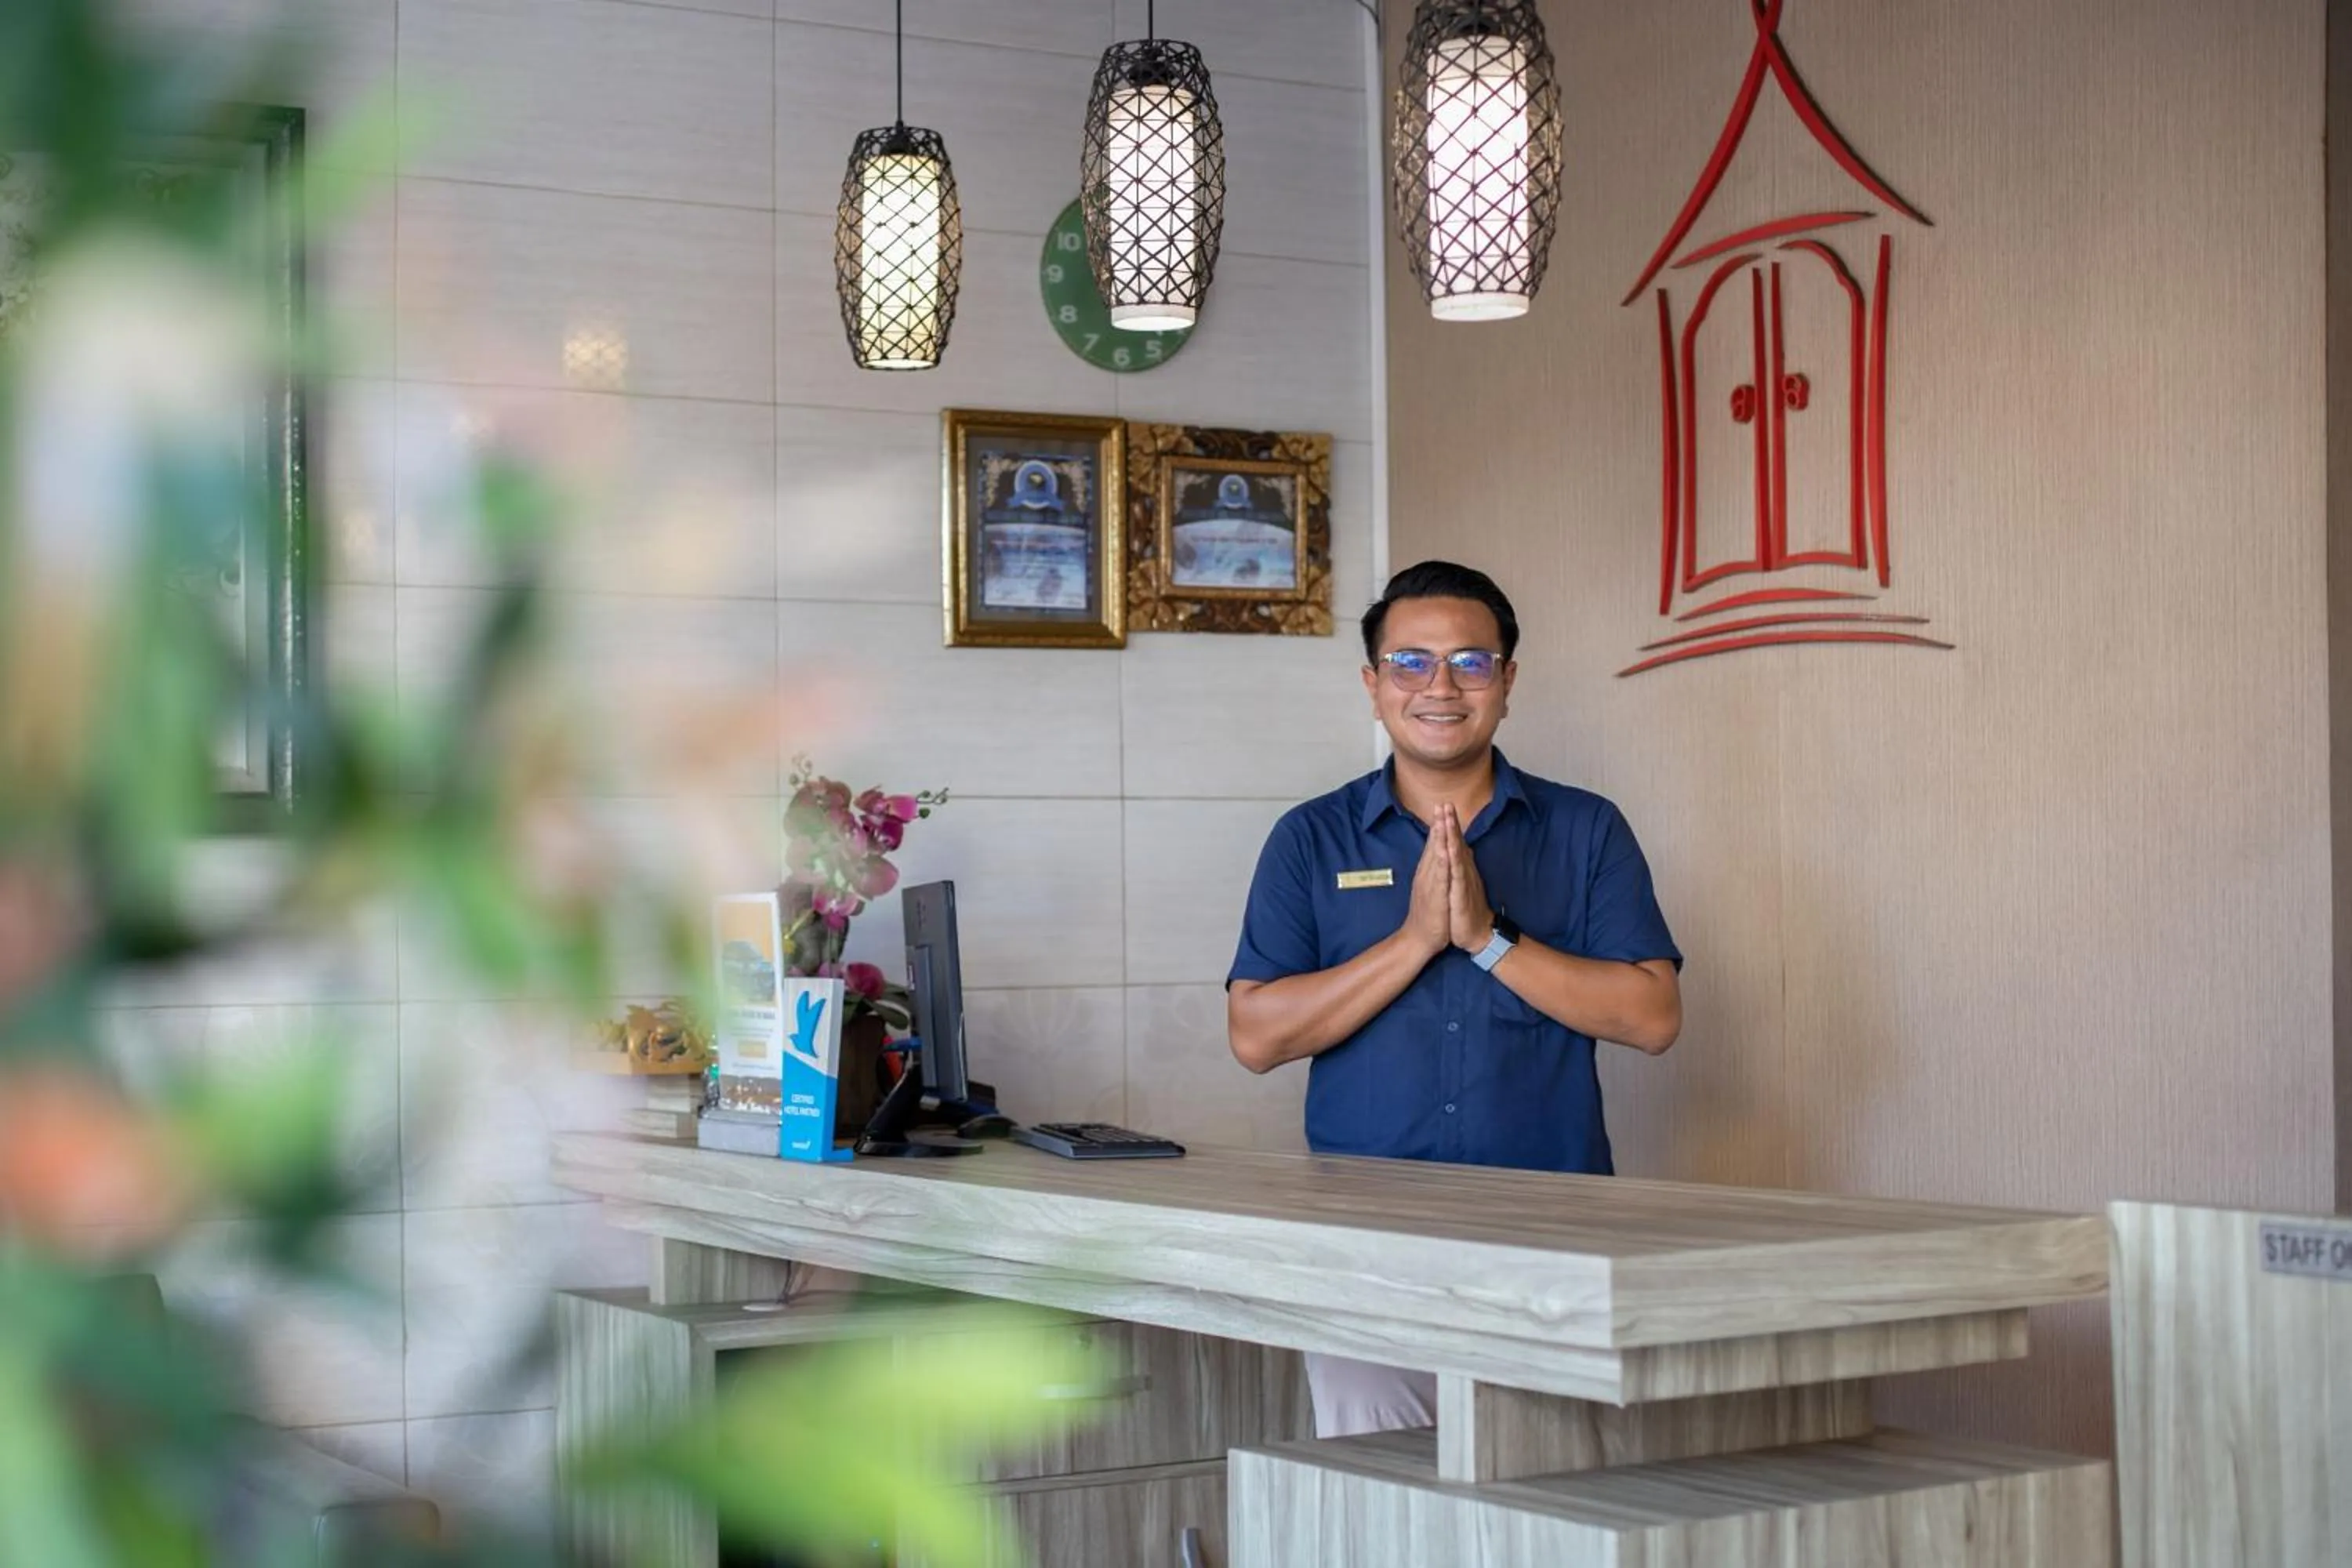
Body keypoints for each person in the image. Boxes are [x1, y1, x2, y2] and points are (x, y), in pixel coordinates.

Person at [1224, 560, 1684, 1438]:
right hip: (1365, 1240)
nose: (1440, 685)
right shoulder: (1309, 838)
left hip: (1555, 1237)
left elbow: (1653, 1017)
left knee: (1547, 1494)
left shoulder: (1586, 829)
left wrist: (1487, 938)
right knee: (1386, 1498)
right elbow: (1255, 1035)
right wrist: (1412, 941)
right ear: (1373, 684)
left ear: (1507, 681)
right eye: (1410, 662)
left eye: (1471, 662)